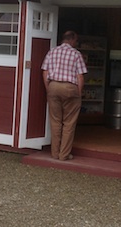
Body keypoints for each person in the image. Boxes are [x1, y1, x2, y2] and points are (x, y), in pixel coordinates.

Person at [41, 31, 88, 161]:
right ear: (72, 40)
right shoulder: (76, 54)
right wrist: (79, 94)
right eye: (76, 41)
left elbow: (45, 72)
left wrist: (49, 89)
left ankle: (55, 153)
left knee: (55, 121)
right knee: (69, 123)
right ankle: (64, 154)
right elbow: (80, 77)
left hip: (53, 86)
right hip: (70, 87)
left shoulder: (52, 52)